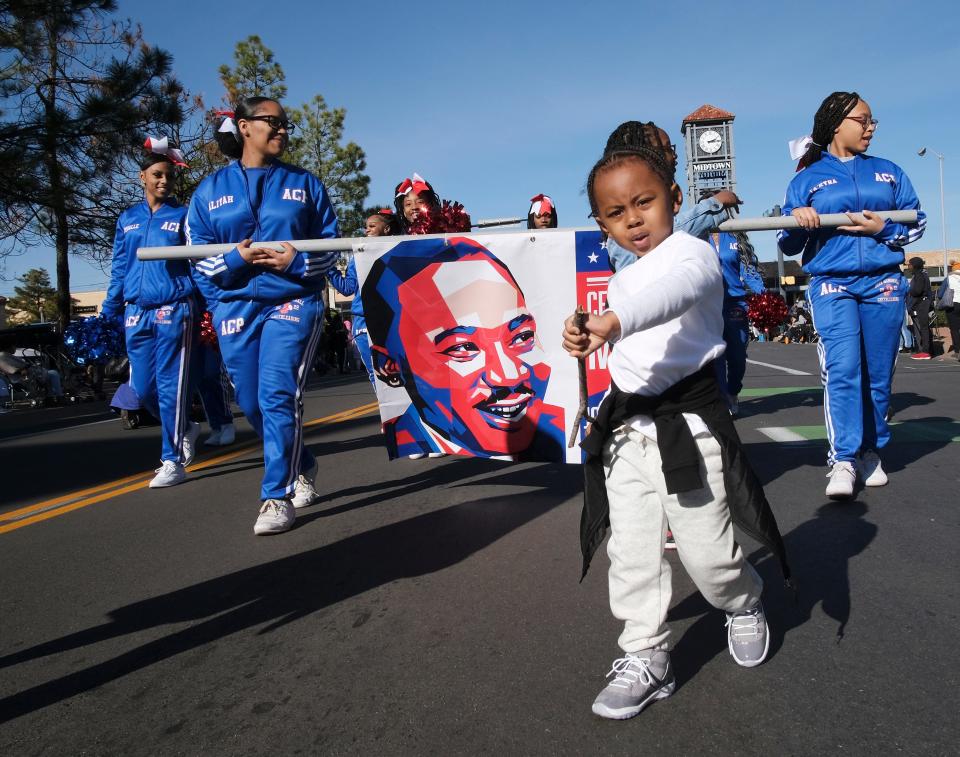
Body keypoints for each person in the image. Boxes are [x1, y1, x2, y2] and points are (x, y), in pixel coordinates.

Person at [562, 127, 788, 721]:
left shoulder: (694, 254)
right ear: (601, 223)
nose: (634, 220)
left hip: (689, 424)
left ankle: (742, 602)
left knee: (709, 556)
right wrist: (582, 336)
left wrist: (613, 321)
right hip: (627, 432)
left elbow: (673, 294)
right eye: (616, 212)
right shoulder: (619, 278)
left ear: (675, 197)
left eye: (645, 202)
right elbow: (626, 341)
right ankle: (645, 654)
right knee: (632, 554)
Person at [187, 96, 339, 535]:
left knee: (277, 395)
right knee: (252, 403)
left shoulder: (306, 185)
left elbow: (329, 251)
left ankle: (276, 495)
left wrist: (296, 264)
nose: (282, 130)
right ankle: (304, 461)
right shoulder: (209, 192)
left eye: (286, 123)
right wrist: (235, 261)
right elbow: (198, 259)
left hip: (293, 302)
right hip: (234, 307)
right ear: (244, 126)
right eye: (272, 122)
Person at [778, 91, 926, 499]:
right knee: (842, 369)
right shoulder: (806, 178)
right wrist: (798, 223)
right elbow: (786, 243)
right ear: (837, 122)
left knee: (878, 376)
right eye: (863, 120)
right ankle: (842, 458)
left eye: (872, 120)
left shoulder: (888, 172)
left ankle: (869, 450)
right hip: (832, 283)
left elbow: (918, 223)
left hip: (882, 283)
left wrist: (884, 231)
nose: (870, 127)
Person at [364, 237, 566, 461]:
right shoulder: (402, 437)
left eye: (522, 337)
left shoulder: (570, 431)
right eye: (463, 347)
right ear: (389, 367)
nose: (508, 376)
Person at [100, 138, 199, 488]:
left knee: (171, 386)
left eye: (169, 177)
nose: (164, 181)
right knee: (140, 390)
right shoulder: (127, 219)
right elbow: (119, 265)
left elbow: (199, 262)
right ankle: (184, 427)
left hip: (174, 309)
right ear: (142, 177)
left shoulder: (183, 215)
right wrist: (110, 306)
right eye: (157, 175)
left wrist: (208, 302)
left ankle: (172, 460)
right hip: (135, 311)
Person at [603, 121, 743, 273]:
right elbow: (666, 231)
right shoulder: (626, 199)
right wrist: (715, 204)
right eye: (667, 148)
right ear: (646, 154)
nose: (675, 155)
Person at [328, 209, 399, 389]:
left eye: (372, 226)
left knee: (400, 373)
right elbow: (347, 288)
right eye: (366, 227)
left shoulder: (401, 251)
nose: (367, 230)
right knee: (377, 375)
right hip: (364, 321)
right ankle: (389, 416)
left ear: (387, 229)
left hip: (394, 321)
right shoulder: (357, 256)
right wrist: (328, 267)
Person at [710, 231, 765, 413]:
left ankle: (733, 391)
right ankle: (723, 399)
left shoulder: (735, 237)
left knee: (738, 356)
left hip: (735, 304)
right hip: (708, 304)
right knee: (716, 357)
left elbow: (748, 270)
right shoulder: (697, 235)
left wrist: (763, 295)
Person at [906, 257, 933, 359]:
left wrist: (909, 290)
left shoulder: (920, 275)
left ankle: (925, 352)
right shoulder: (920, 274)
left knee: (924, 328)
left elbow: (917, 291)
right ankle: (924, 350)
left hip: (921, 305)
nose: (908, 266)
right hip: (921, 304)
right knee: (922, 328)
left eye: (910, 264)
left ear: (915, 265)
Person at [936, 261, 960, 361]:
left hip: (952, 305)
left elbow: (941, 294)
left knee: (954, 329)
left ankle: (958, 351)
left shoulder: (948, 278)